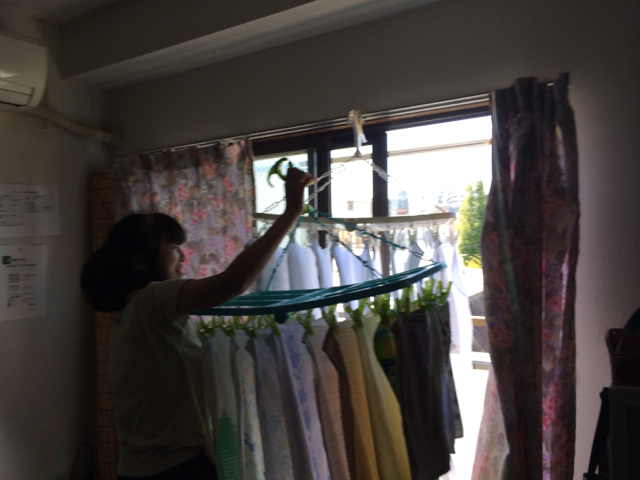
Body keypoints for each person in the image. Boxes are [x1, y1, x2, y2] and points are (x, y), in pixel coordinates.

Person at [81, 168, 316, 479]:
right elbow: (233, 282)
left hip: (149, 467)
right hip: (172, 468)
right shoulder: (152, 299)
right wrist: (291, 213)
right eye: (173, 248)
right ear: (139, 262)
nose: (182, 257)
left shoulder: (135, 314)